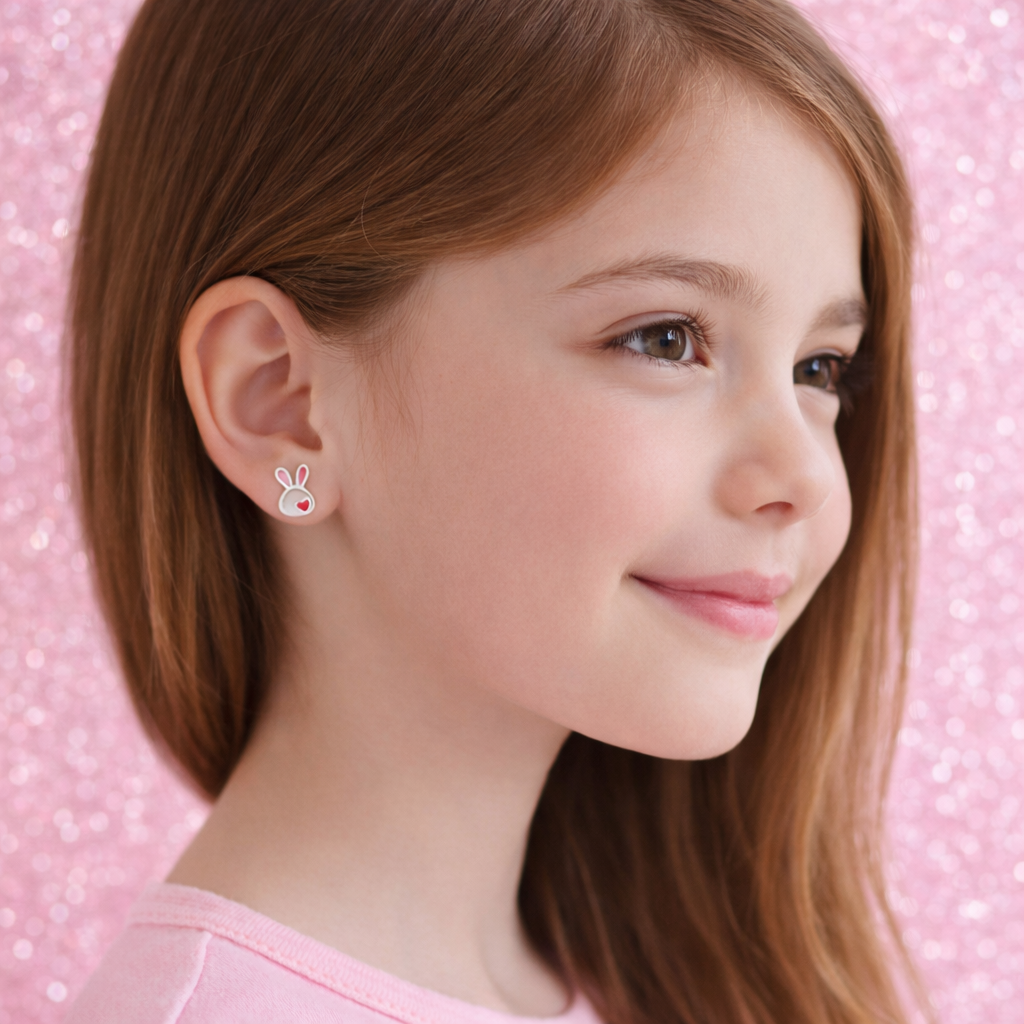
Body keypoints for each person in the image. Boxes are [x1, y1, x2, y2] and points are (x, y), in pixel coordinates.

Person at [62, 0, 923, 1021]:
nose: (806, 478)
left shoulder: (674, 977)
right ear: (282, 407)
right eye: (663, 338)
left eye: (819, 368)